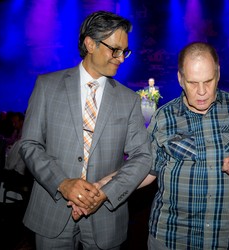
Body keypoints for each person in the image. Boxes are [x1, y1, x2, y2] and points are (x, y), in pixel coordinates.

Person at [19, 10, 152, 250]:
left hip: (106, 219)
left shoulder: (129, 99)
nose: (121, 58)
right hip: (52, 209)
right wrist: (62, 183)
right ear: (90, 43)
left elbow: (143, 156)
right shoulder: (47, 86)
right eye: (115, 50)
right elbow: (29, 145)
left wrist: (105, 193)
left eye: (125, 51)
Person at [143, 42, 229, 249]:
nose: (201, 92)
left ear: (218, 74)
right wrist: (103, 188)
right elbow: (146, 170)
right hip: (173, 237)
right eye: (193, 83)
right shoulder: (163, 116)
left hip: (228, 236)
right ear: (180, 79)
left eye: (208, 81)